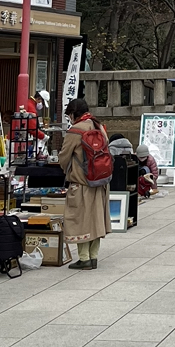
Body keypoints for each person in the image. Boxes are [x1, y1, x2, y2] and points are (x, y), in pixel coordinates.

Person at [60, 96, 111, 269]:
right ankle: (94, 257)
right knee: (96, 220)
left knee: (80, 220)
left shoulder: (75, 131)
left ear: (73, 114)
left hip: (81, 183)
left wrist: (68, 170)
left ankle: (84, 258)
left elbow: (64, 158)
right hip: (100, 181)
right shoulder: (98, 126)